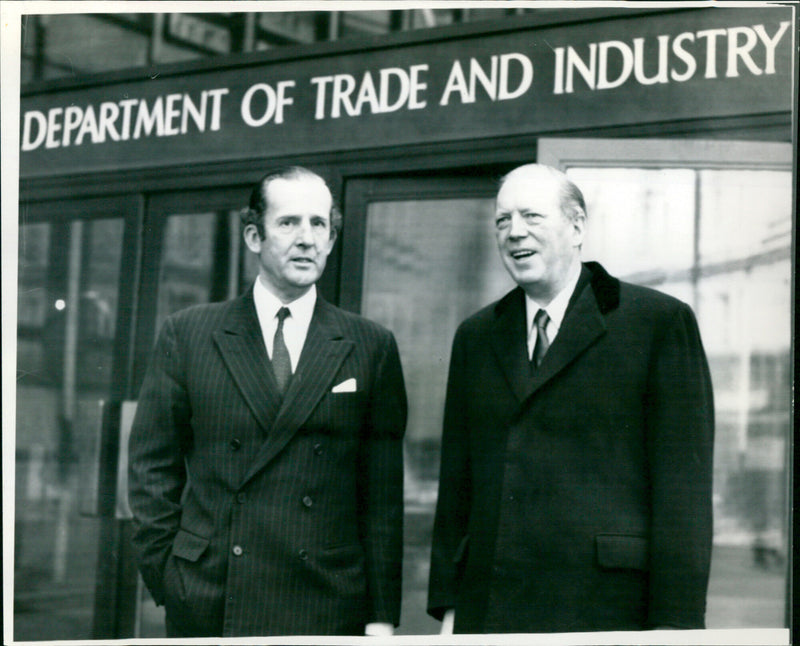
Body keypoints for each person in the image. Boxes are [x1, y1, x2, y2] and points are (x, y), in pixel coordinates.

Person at [427, 163, 714, 633]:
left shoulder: (657, 324)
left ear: (577, 225)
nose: (514, 232)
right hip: (493, 611)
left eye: (532, 217)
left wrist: (675, 626)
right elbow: (457, 488)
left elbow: (683, 492)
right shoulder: (476, 337)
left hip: (608, 611)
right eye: (503, 220)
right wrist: (451, 608)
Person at [128, 166, 407, 637]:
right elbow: (151, 471)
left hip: (324, 601)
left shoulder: (369, 344)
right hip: (212, 599)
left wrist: (380, 616)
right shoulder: (190, 332)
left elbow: (381, 497)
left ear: (333, 239)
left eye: (319, 225)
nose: (307, 239)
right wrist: (171, 577)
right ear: (253, 235)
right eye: (288, 223)